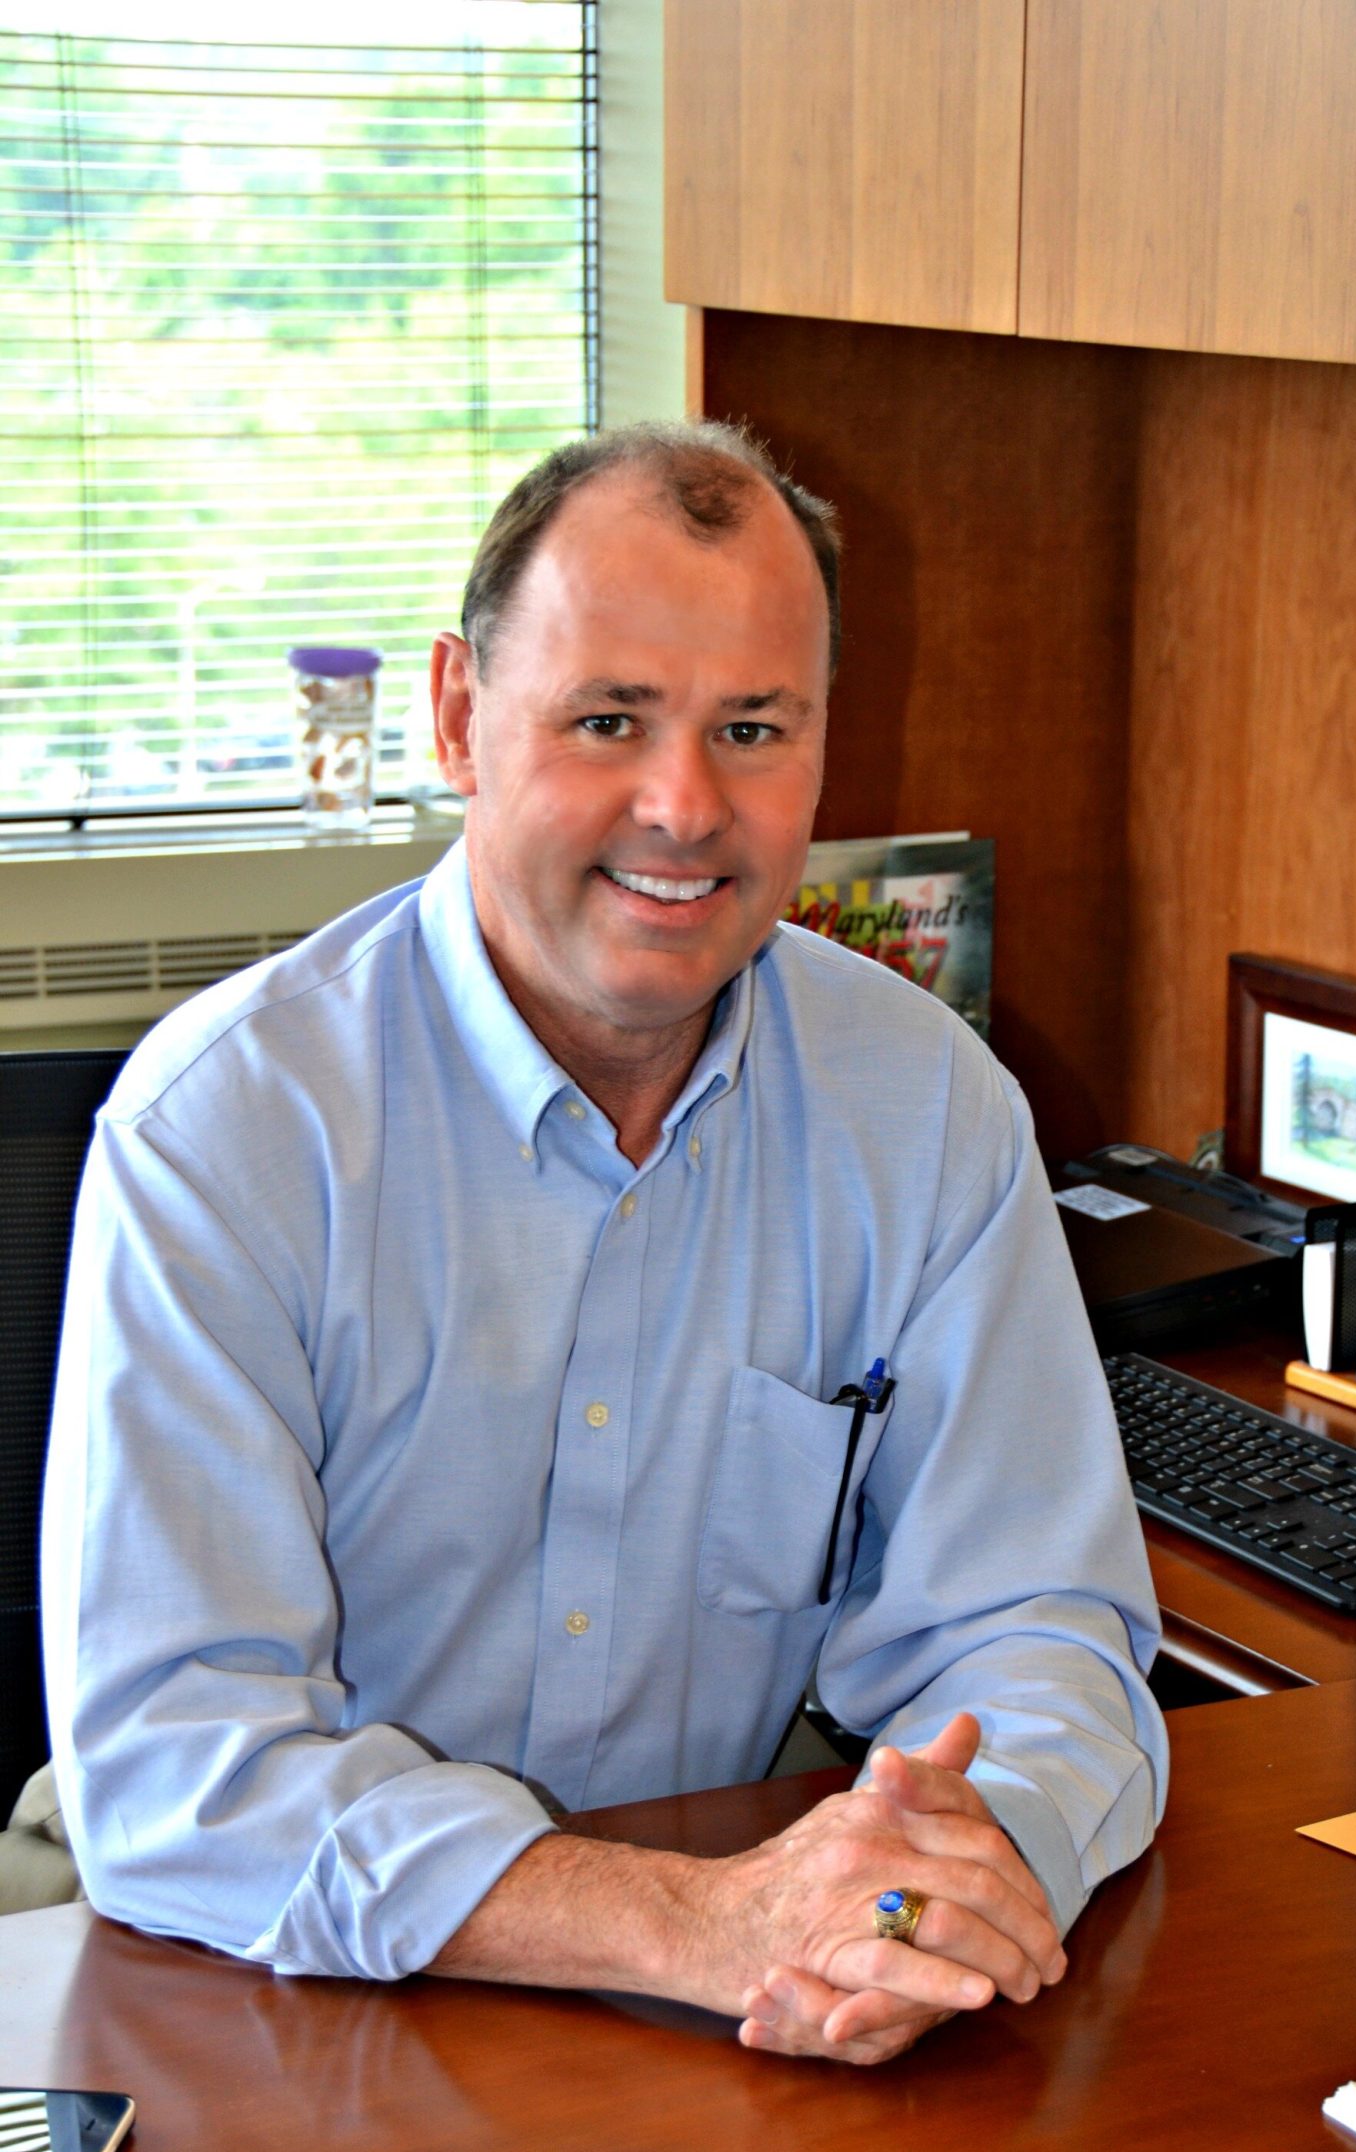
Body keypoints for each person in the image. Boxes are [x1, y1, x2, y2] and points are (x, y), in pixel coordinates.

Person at [43, 421, 1167, 2066]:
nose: (684, 808)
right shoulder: (231, 1130)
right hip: (265, 1976)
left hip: (733, 2000)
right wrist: (693, 1920)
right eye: (608, 720)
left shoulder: (926, 1109)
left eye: (754, 729)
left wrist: (930, 1903)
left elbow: (1041, 1628)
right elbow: (177, 1766)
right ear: (458, 716)